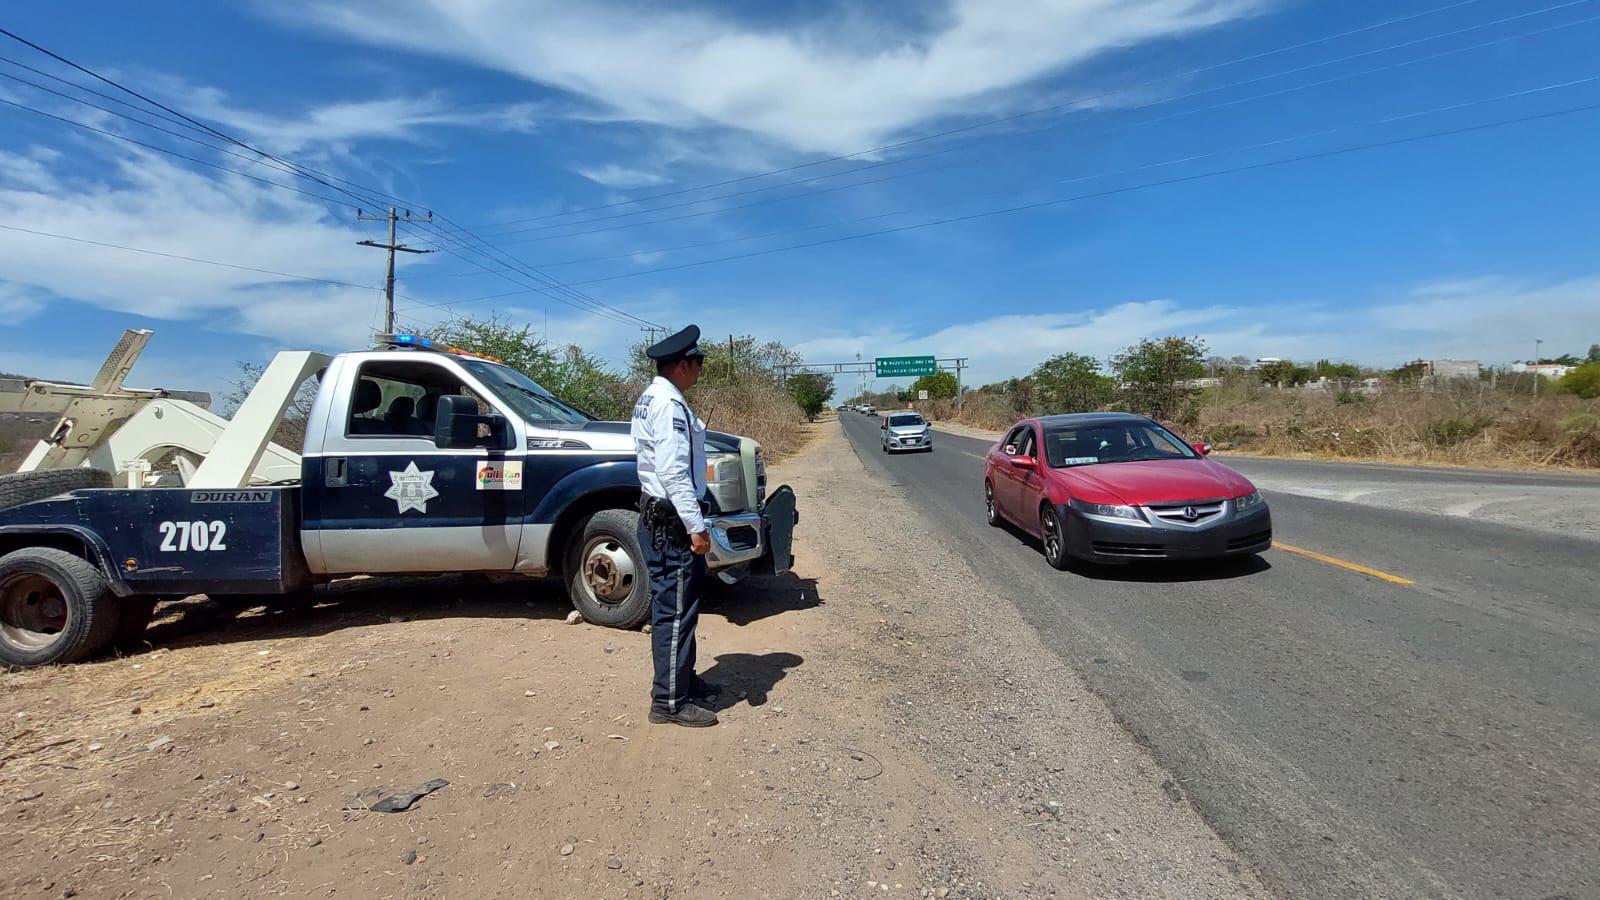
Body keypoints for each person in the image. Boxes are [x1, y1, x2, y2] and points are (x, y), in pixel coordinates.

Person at [632, 324, 723, 727]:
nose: (700, 370)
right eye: (698, 363)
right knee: (675, 611)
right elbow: (673, 472)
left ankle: (682, 677)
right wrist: (695, 525)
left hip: (661, 518)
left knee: (683, 607)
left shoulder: (654, 398)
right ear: (683, 365)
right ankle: (669, 701)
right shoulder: (668, 405)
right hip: (671, 523)